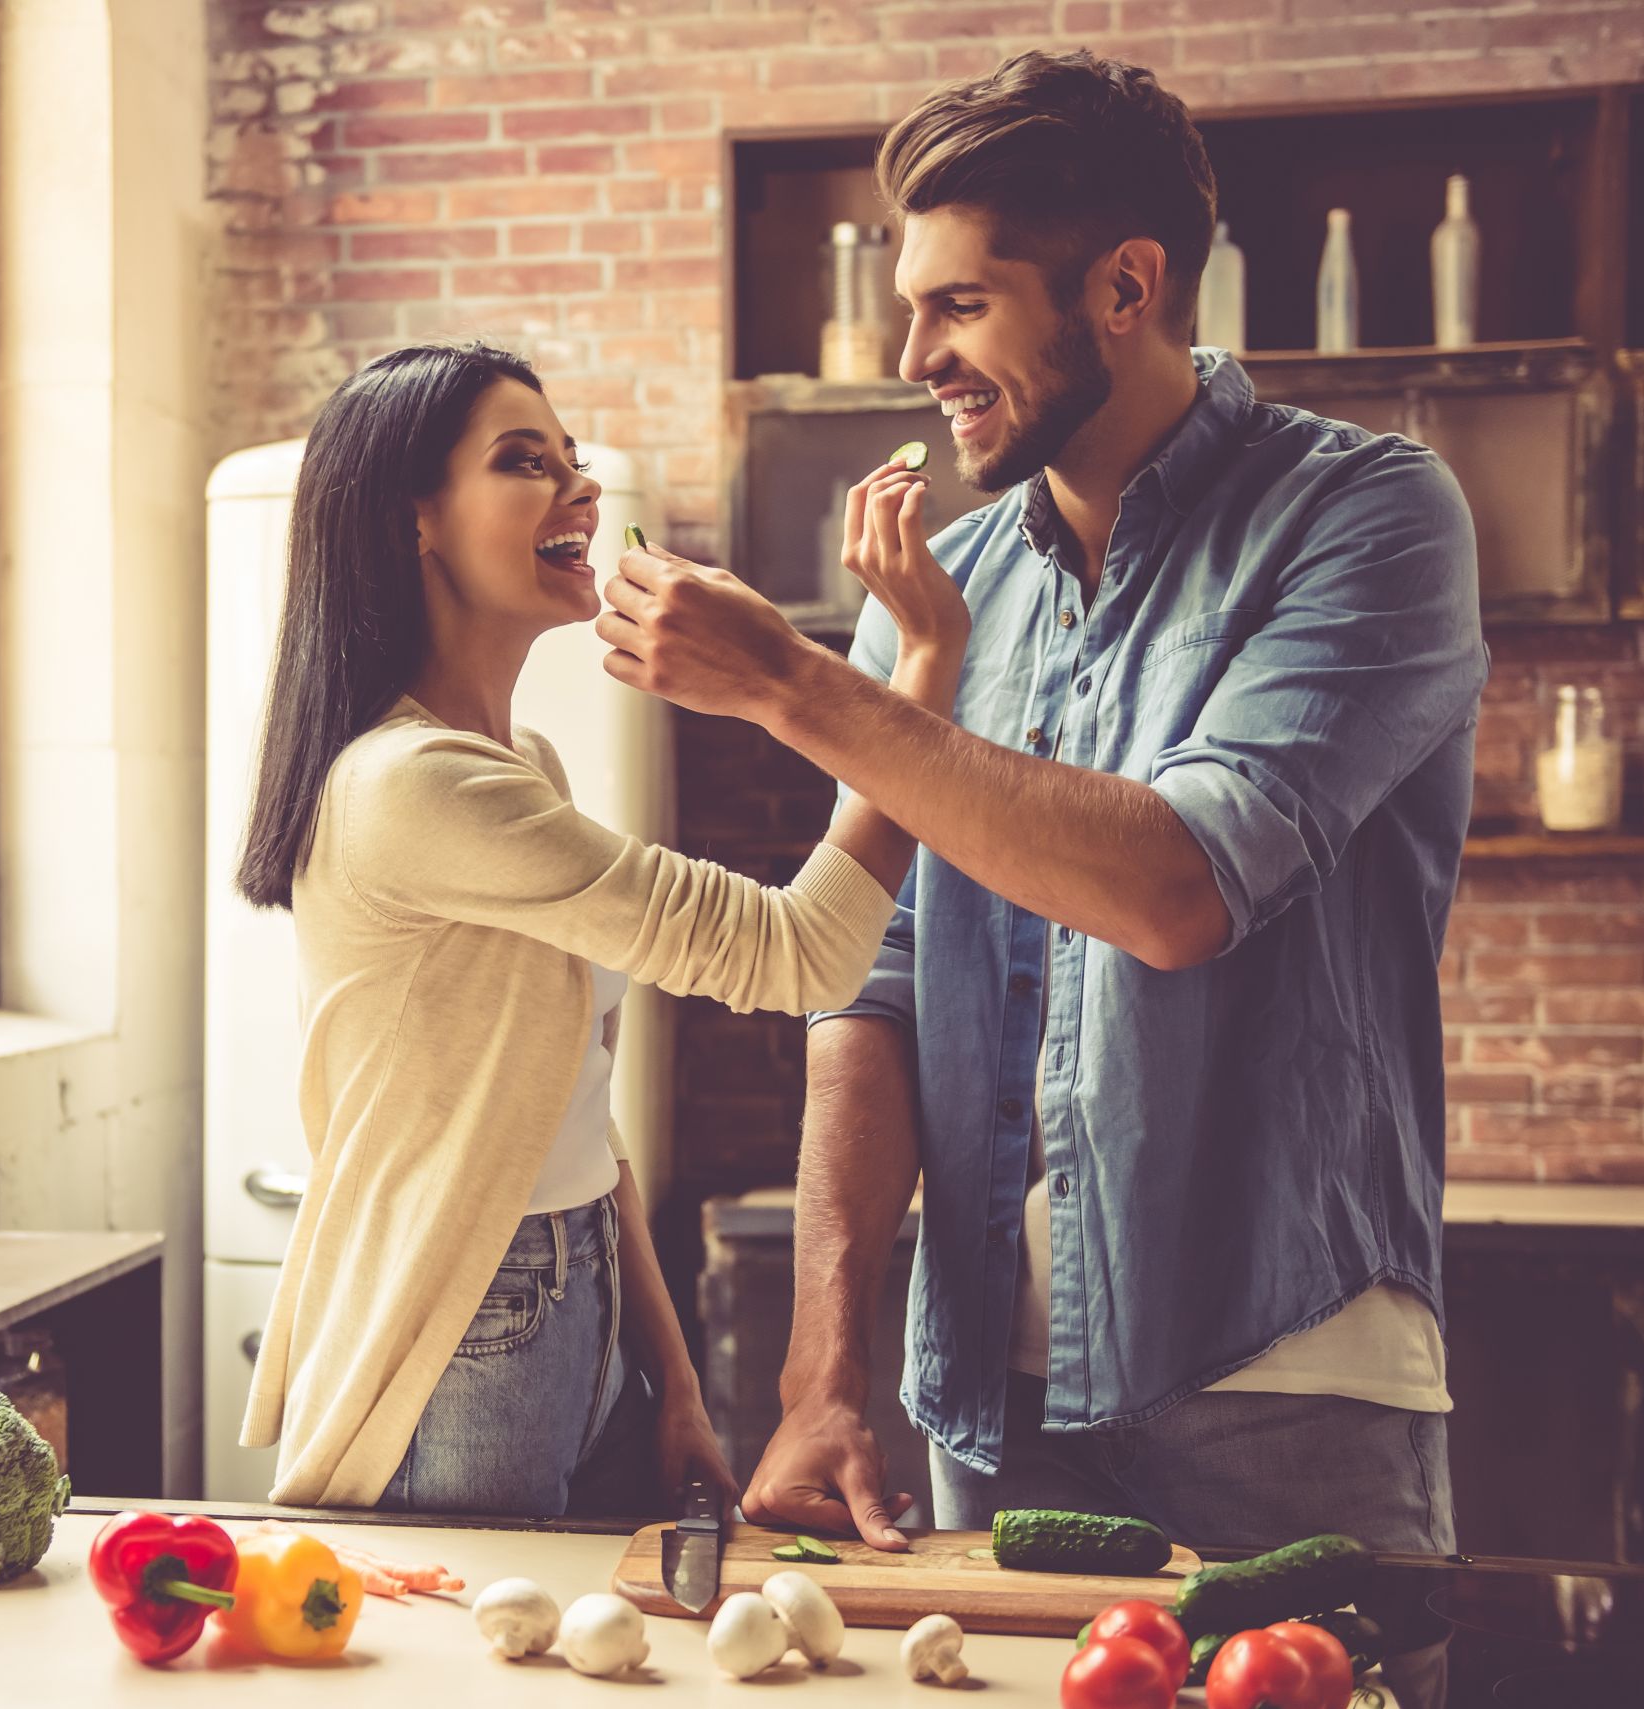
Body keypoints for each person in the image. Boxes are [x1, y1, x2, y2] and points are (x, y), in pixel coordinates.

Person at [597, 52, 1485, 1558]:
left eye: (960, 305)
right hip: (991, 1398)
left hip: (1285, 1368)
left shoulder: (1369, 516)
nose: (916, 354)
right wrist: (826, 1368)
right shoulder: (933, 605)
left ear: (1125, 287)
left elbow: (1176, 887)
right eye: (911, 306)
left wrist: (795, 686)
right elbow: (868, 994)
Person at [234, 341, 969, 1515]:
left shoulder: (518, 766)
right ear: (410, 518)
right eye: (525, 462)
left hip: (567, 1288)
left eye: (572, 459)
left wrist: (666, 1375)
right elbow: (803, 952)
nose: (578, 487)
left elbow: (571, 1104)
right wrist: (919, 667)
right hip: (465, 1313)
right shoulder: (416, 785)